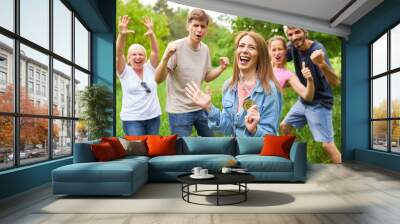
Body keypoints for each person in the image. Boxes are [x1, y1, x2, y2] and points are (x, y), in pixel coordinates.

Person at [185, 31, 282, 137]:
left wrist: (254, 130)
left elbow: (271, 137)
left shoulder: (269, 90)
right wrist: (209, 107)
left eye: (251, 47)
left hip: (257, 153)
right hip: (234, 151)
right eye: (241, 46)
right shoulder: (229, 86)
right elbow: (228, 128)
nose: (244, 50)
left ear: (260, 55)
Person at [155, 8, 229, 137]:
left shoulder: (205, 49)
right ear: (188, 26)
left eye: (203, 26)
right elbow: (158, 79)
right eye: (195, 25)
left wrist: (221, 68)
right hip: (179, 110)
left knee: (210, 145)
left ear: (206, 29)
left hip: (200, 106)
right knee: (182, 150)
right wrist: (166, 58)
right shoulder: (175, 47)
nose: (199, 29)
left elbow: (206, 76)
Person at [281, 26, 342, 163]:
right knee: (285, 126)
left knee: (327, 145)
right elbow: (279, 58)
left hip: (319, 103)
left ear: (305, 32)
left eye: (298, 32)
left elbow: (336, 82)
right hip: (303, 101)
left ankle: (345, 173)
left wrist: (322, 64)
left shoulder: (316, 50)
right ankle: (298, 156)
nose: (294, 37)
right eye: (290, 34)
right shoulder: (293, 47)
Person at [116, 15, 161, 135]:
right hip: (132, 120)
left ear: (145, 58)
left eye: (141, 54)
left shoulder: (150, 68)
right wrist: (122, 35)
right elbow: (119, 54)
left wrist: (152, 34)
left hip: (153, 118)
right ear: (129, 58)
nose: (138, 57)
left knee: (153, 151)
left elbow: (155, 52)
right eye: (134, 54)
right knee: (138, 151)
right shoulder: (124, 71)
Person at [267, 35, 315, 102]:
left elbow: (308, 97)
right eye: (273, 50)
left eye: (280, 49)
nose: (277, 53)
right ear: (269, 51)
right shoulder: (262, 67)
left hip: (265, 110)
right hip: (249, 104)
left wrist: (310, 79)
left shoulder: (288, 75)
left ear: (285, 51)